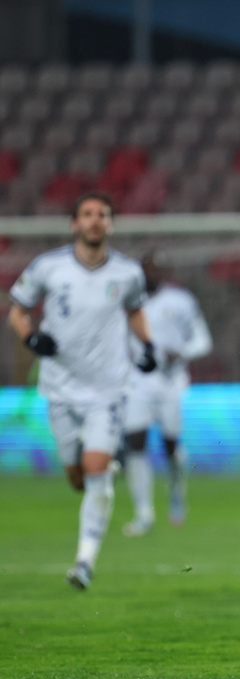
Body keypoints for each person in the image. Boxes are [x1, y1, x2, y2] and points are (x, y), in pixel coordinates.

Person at [7, 191, 157, 590]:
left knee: (95, 471)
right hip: (59, 387)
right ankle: (100, 469)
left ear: (110, 224)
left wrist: (148, 345)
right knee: (76, 475)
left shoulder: (127, 272)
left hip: (108, 389)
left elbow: (136, 311)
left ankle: (84, 562)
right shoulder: (48, 267)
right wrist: (31, 338)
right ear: (75, 224)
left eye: (102, 215)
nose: (94, 220)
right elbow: (17, 311)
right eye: (87, 214)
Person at [121, 252, 212, 536]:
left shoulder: (181, 300)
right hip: (137, 379)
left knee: (171, 444)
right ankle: (143, 513)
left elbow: (202, 339)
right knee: (136, 441)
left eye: (156, 269)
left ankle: (176, 493)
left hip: (171, 381)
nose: (152, 274)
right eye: (147, 269)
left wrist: (182, 352)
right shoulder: (126, 301)